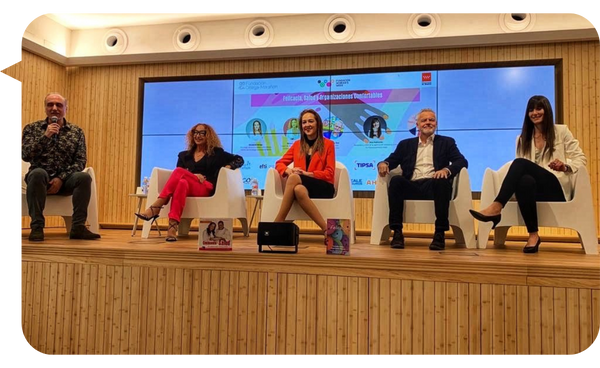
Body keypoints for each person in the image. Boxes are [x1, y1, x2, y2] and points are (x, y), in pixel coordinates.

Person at [469, 95, 587, 253]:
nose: (535, 112)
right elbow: (520, 174)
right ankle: (533, 235)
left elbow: (581, 159)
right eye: (531, 110)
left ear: (546, 110)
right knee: (524, 181)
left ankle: (496, 207)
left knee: (519, 163)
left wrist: (565, 166)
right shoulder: (523, 139)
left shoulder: (561, 131)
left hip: (555, 188)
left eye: (539, 108)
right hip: (532, 191)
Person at [135, 123, 244, 242]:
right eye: (195, 133)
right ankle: (172, 227)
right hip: (187, 187)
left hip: (206, 187)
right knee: (181, 183)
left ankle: (158, 205)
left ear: (209, 135)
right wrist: (193, 176)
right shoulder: (184, 156)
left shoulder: (216, 153)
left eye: (202, 133)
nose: (198, 136)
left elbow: (239, 159)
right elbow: (178, 178)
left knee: (178, 172)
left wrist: (228, 166)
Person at [377, 108, 468, 250]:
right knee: (396, 181)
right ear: (417, 125)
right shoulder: (405, 144)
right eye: (424, 120)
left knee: (442, 182)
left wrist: (446, 170)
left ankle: (439, 234)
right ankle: (397, 233)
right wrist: (383, 164)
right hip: (412, 185)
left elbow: (461, 161)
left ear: (436, 124)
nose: (428, 123)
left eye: (431, 120)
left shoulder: (447, 142)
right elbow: (391, 160)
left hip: (434, 185)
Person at [21, 93, 101, 242]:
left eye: (59, 105)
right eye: (50, 104)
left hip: (67, 180)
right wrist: (46, 137)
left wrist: (61, 178)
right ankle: (37, 228)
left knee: (84, 177)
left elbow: (80, 161)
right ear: (45, 108)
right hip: (39, 180)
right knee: (37, 173)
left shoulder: (76, 132)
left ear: (66, 108)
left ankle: (78, 227)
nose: (54, 108)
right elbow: (26, 155)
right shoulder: (32, 129)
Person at [273, 109, 336, 241]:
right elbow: (279, 163)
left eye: (310, 121)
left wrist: (308, 174)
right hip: (304, 187)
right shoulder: (297, 145)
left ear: (318, 124)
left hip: (323, 187)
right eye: (304, 122)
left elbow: (329, 173)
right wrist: (288, 170)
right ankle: (326, 230)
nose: (307, 125)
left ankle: (277, 223)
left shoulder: (329, 144)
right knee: (298, 189)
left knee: (295, 178)